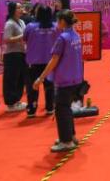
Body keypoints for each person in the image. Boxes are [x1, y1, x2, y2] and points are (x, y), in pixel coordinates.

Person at [33, 10, 84, 153]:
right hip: (75, 78)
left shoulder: (62, 38)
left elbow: (54, 60)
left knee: (62, 110)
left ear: (62, 21)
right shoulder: (76, 36)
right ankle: (71, 136)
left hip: (64, 80)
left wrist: (41, 78)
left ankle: (66, 141)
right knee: (66, 109)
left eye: (58, 20)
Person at [24, 5, 58, 117]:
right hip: (50, 62)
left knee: (32, 86)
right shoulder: (55, 27)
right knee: (49, 86)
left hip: (33, 62)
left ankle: (32, 109)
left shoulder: (30, 27)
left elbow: (25, 38)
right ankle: (50, 107)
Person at [2, 1, 28, 112]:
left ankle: (17, 100)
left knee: (20, 78)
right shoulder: (10, 23)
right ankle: (11, 103)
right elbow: (7, 39)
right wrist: (22, 36)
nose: (21, 9)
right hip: (12, 54)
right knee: (11, 79)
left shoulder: (21, 21)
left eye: (21, 7)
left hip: (21, 53)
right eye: (18, 8)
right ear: (12, 10)